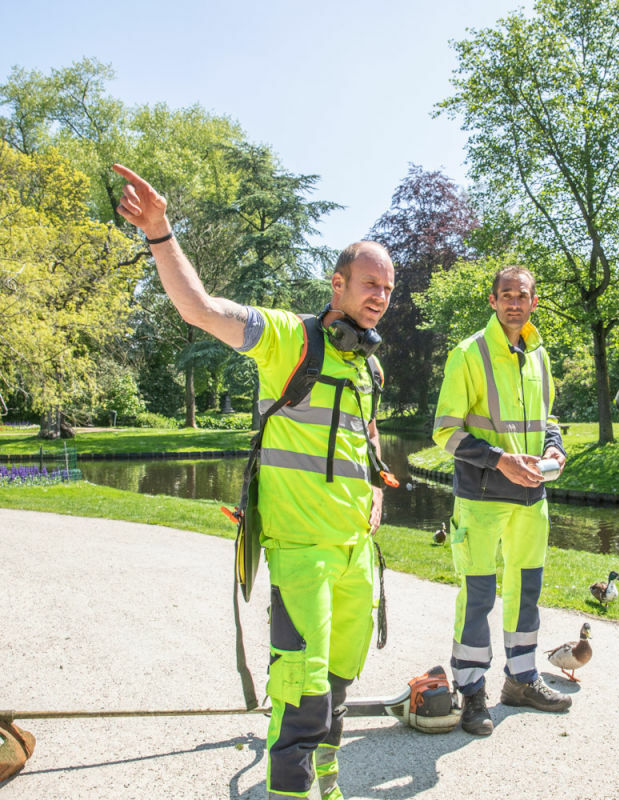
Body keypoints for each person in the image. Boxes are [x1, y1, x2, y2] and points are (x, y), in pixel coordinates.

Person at [112, 164, 394, 800]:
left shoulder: (369, 369)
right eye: (369, 284)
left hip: (356, 558)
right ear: (338, 285)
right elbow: (199, 308)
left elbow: (366, 437)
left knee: (339, 690)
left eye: (388, 288)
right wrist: (160, 232)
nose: (379, 295)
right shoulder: (290, 340)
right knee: (300, 699)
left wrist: (376, 485)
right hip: (301, 556)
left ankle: (329, 788)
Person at [432, 265, 570, 736]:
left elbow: (548, 419)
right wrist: (499, 460)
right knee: (479, 594)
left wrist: (556, 448)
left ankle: (522, 679)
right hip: (483, 496)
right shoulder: (468, 354)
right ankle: (471, 690)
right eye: (506, 295)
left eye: (523, 295)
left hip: (533, 497)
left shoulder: (538, 354)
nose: (515, 302)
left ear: (534, 301)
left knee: (526, 589)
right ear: (492, 301)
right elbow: (445, 431)